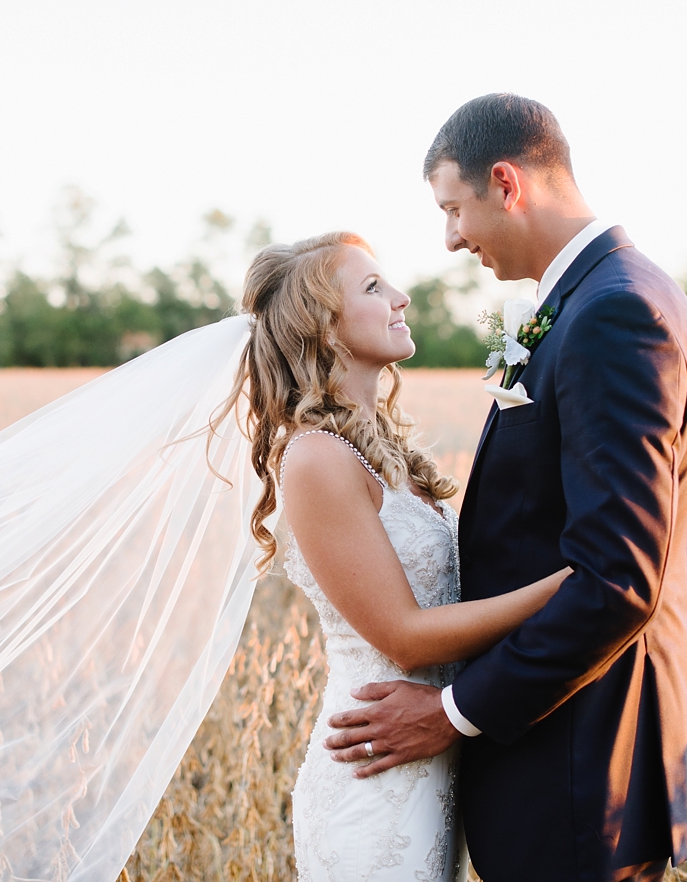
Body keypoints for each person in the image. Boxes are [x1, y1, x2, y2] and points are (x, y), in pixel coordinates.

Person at [321, 94, 687, 882]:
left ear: (506, 182)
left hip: (578, 754)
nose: (450, 237)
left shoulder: (613, 314)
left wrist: (451, 714)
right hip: (567, 745)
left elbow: (615, 578)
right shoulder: (593, 299)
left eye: (453, 208)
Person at [219, 230, 570, 880]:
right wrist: (566, 584)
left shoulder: (377, 449)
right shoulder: (316, 456)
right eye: (373, 287)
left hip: (428, 764)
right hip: (371, 774)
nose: (401, 297)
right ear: (319, 325)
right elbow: (405, 638)